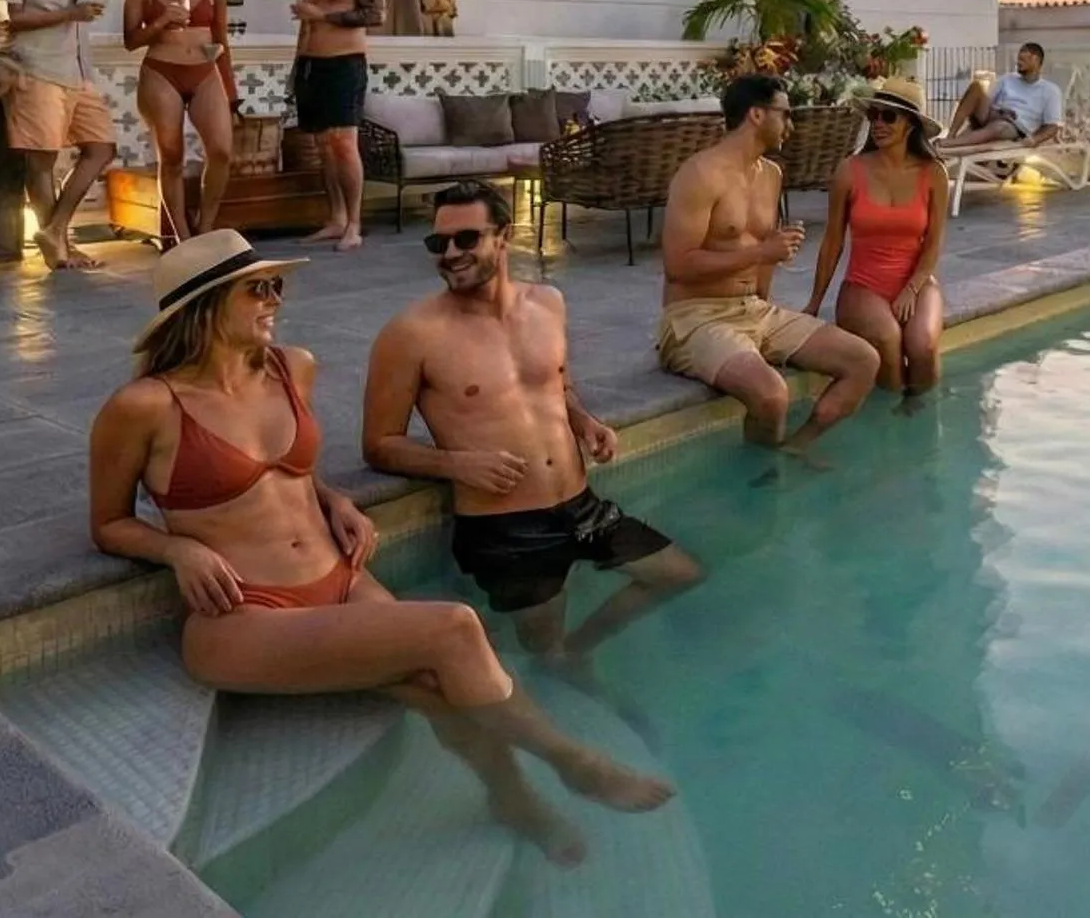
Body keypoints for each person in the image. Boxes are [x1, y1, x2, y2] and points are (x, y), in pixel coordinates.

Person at [87, 230, 672, 867]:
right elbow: (109, 523)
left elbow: (288, 473)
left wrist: (333, 499)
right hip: (245, 612)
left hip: (337, 579)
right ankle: (574, 762)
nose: (275, 299)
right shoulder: (142, 407)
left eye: (277, 285)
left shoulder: (292, 367)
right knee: (452, 628)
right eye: (257, 289)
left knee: (436, 679)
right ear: (203, 308)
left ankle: (513, 799)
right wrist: (179, 551)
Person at [363, 182, 703, 672]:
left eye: (466, 239)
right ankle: (561, 670)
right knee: (542, 649)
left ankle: (581, 650)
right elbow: (378, 446)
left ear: (503, 236)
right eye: (439, 244)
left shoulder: (548, 303)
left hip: (581, 505)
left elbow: (556, 385)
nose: (450, 254)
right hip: (506, 528)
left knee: (681, 574)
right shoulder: (411, 335)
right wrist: (457, 464)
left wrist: (583, 420)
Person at [657, 74, 882, 458]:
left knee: (863, 360)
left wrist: (769, 299)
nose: (790, 125)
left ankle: (794, 449)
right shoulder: (699, 175)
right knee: (771, 394)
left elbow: (765, 252)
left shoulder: (772, 174)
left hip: (755, 310)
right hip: (696, 317)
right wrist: (762, 254)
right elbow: (679, 266)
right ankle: (760, 480)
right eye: (785, 114)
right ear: (757, 115)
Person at [0, 0, 117, 271]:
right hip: (36, 67)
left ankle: (55, 229)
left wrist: (78, 12)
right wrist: (69, 13)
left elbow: (77, 9)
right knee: (42, 159)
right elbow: (4, 18)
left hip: (77, 69)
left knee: (101, 147)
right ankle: (59, 249)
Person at [804, 78, 949, 403]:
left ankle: (923, 417)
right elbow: (832, 242)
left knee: (923, 345)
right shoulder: (850, 170)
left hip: (917, 281)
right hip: (863, 285)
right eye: (874, 115)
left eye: (889, 117)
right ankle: (891, 412)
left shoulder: (934, 173)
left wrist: (912, 287)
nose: (878, 124)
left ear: (910, 124)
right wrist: (815, 301)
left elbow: (934, 243)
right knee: (887, 338)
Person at [124, 0, 235, 245]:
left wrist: (231, 90)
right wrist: (161, 21)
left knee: (222, 151)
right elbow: (131, 40)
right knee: (171, 156)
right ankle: (181, 235)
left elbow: (223, 40)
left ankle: (206, 226)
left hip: (205, 70)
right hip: (162, 70)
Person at [291, 0, 384, 252]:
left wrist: (323, 15)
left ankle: (355, 225)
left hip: (344, 64)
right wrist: (296, 67)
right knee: (321, 147)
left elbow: (376, 14)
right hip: (310, 65)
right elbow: (307, 24)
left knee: (344, 143)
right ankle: (336, 218)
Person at [940, 43, 1064, 153]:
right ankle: (951, 135)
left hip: (1016, 128)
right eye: (1018, 59)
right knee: (976, 87)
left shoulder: (1050, 91)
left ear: (1035, 60)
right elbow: (987, 100)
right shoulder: (1007, 79)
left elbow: (1052, 127)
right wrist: (998, 112)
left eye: (1022, 60)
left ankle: (953, 144)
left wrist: (1034, 140)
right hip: (995, 115)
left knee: (1001, 126)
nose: (1018, 63)